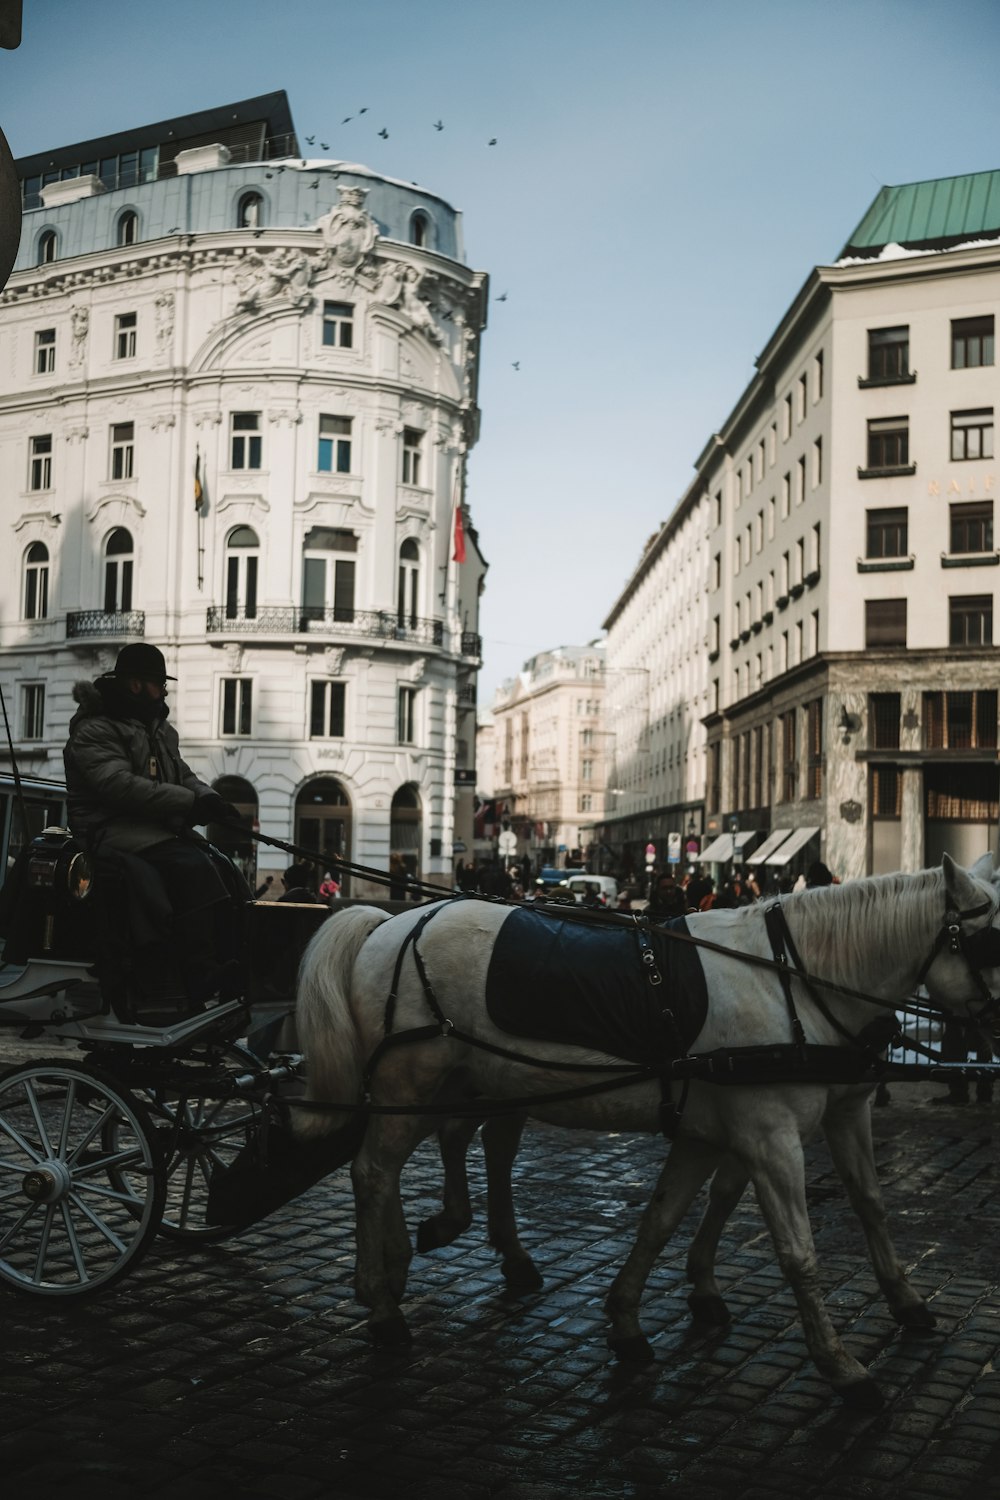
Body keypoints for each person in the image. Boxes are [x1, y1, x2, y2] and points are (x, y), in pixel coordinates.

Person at [63, 642, 246, 1006]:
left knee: (222, 866)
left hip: (148, 827)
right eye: (159, 683)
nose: (164, 690)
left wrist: (211, 798)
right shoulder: (95, 728)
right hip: (107, 828)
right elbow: (118, 787)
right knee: (191, 866)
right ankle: (197, 973)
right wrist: (188, 802)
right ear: (136, 684)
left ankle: (230, 961)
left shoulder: (159, 727)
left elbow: (181, 774)